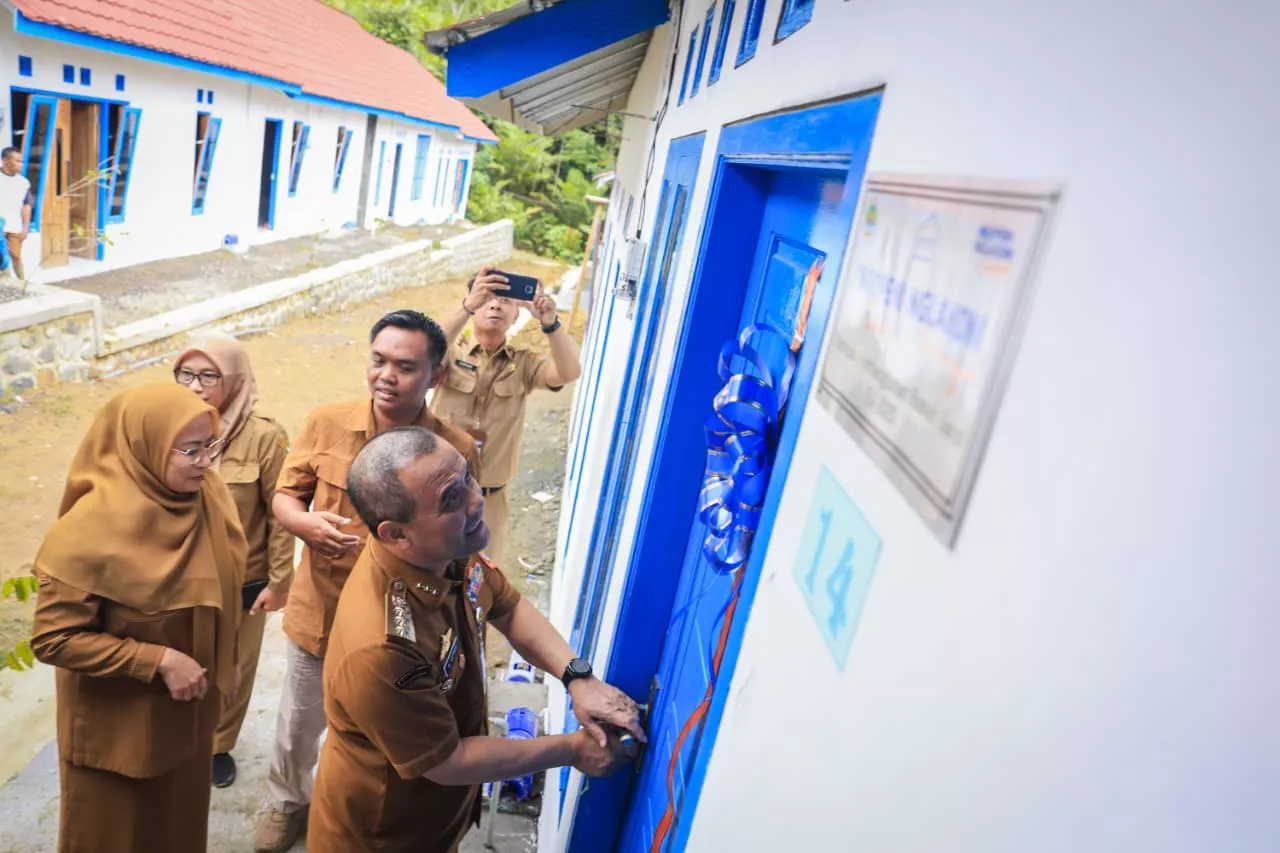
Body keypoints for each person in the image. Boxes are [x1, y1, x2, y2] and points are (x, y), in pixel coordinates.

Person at [308, 427, 641, 852]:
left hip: (442, 810)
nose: (476, 499)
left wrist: (578, 678)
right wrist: (572, 750)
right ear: (396, 534)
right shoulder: (381, 646)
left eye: (467, 476)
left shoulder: (444, 548)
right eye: (451, 498)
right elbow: (447, 762)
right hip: (386, 831)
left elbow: (505, 604)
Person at [254, 309, 480, 853]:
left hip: (400, 634)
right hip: (323, 614)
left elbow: (463, 543)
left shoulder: (452, 450)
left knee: (378, 747)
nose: (386, 376)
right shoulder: (327, 422)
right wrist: (304, 522)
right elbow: (285, 496)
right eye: (378, 360)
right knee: (298, 726)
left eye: (405, 366)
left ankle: (349, 818)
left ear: (435, 376)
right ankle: (288, 803)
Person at [29, 383, 246, 853]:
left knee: (178, 830)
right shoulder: (86, 536)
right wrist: (157, 660)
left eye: (211, 444)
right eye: (189, 450)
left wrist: (221, 656)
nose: (206, 461)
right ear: (141, 448)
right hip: (119, 733)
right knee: (115, 836)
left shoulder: (205, 499)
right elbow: (54, 639)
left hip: (189, 712)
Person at [173, 332, 294, 789]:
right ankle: (179, 738)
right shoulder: (168, 427)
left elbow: (282, 513)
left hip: (242, 581)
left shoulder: (265, 436)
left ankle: (218, 745)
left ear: (235, 380)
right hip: (178, 579)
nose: (196, 387)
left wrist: (281, 580)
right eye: (187, 374)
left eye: (209, 376)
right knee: (179, 660)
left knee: (232, 669)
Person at [430, 267, 582, 568]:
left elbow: (569, 371)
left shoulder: (523, 364)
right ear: (474, 304)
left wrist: (550, 323)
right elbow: (421, 347)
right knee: (425, 574)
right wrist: (466, 306)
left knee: (477, 584)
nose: (496, 305)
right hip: (434, 490)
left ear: (516, 315)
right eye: (488, 298)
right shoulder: (448, 353)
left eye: (506, 301)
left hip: (489, 500)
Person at [0, 146, 33, 281]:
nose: (21, 164)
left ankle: (21, 283)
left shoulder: (23, 182)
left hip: (15, 227)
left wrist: (25, 227)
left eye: (22, 161)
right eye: (17, 161)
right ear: (6, 160)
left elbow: (27, 206)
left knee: (16, 257)